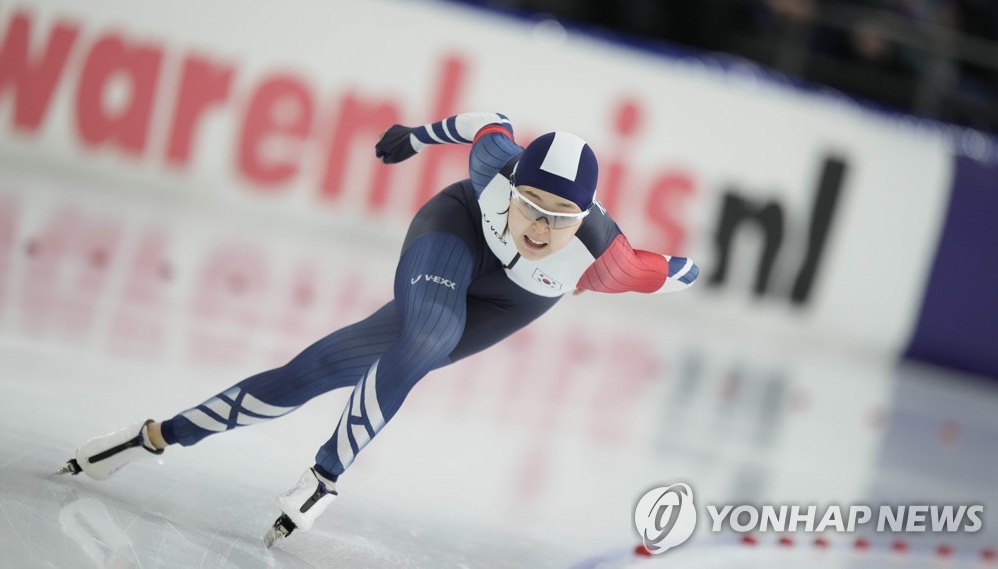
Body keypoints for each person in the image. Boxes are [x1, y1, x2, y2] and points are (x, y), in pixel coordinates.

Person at [57, 112, 700, 546]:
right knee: (426, 337)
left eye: (560, 218)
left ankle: (149, 437)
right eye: (531, 204)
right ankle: (324, 474)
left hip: (513, 301)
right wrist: (418, 137)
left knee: (315, 372)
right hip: (454, 234)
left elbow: (676, 268)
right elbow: (486, 121)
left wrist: (685, 270)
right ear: (512, 185)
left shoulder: (608, 260)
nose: (539, 226)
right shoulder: (491, 168)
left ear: (584, 219)